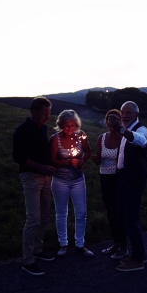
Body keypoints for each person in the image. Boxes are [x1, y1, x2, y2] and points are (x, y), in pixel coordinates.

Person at [12, 97, 57, 276]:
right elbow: (19, 158)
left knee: (44, 216)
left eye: (49, 114)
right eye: (44, 114)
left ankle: (38, 249)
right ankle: (27, 259)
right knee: (33, 218)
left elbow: (43, 152)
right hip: (31, 177)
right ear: (34, 112)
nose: (47, 117)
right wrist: (42, 167)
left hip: (46, 177)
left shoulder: (43, 128)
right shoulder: (22, 131)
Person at [49, 109, 94, 257]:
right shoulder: (55, 139)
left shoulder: (81, 136)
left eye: (73, 125)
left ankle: (80, 244)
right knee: (61, 212)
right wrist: (68, 161)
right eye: (67, 125)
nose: (70, 128)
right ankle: (63, 244)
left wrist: (82, 161)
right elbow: (51, 160)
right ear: (61, 124)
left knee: (81, 212)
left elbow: (88, 151)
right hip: (60, 180)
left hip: (78, 180)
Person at [114, 101, 147, 272]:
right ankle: (139, 254)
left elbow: (141, 141)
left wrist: (121, 130)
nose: (125, 115)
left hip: (133, 179)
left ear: (136, 114)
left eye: (128, 112)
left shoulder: (141, 129)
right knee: (124, 217)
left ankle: (138, 259)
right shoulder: (126, 131)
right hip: (123, 177)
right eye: (123, 112)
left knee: (130, 219)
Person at [91, 109, 128, 260]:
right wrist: (96, 160)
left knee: (120, 212)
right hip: (105, 178)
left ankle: (125, 247)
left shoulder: (124, 138)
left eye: (114, 119)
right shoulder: (102, 137)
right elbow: (99, 158)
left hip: (118, 178)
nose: (111, 121)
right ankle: (116, 243)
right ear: (106, 122)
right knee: (111, 212)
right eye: (109, 119)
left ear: (120, 121)